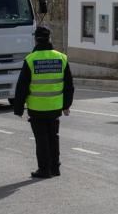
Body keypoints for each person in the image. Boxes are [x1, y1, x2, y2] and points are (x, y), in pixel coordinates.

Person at [12, 26, 74, 179]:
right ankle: (55, 167)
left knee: (41, 140)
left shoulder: (31, 59)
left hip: (37, 108)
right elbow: (69, 85)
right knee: (54, 137)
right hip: (55, 107)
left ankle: (44, 169)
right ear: (49, 38)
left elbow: (22, 87)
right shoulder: (61, 58)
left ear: (36, 39)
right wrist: (66, 105)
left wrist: (18, 108)